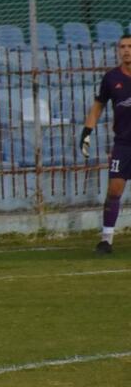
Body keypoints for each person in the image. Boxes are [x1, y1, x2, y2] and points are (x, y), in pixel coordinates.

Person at [80, 33, 131, 254]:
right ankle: (106, 239)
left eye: (130, 46)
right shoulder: (111, 78)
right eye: (122, 46)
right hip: (123, 144)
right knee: (114, 189)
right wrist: (86, 131)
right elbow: (99, 105)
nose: (126, 50)